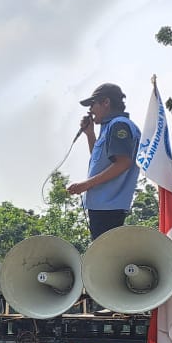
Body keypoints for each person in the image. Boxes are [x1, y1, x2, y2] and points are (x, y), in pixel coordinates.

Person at [66, 82, 142, 239]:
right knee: (103, 253)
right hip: (103, 205)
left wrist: (86, 185)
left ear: (106, 102)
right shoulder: (109, 127)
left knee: (106, 257)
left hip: (108, 206)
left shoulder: (119, 125)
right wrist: (89, 134)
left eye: (93, 104)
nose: (91, 110)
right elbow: (100, 160)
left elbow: (123, 163)